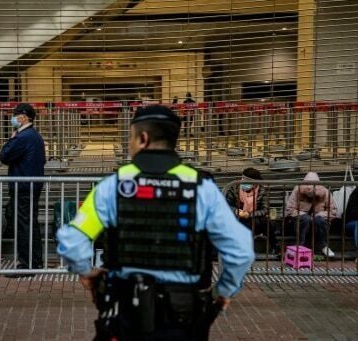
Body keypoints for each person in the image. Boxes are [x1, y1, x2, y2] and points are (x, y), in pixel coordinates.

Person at [57, 105, 254, 340]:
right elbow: (241, 251)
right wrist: (222, 291)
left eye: (130, 136)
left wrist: (87, 272)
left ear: (142, 138)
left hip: (125, 313)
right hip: (184, 318)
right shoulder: (202, 188)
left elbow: (71, 240)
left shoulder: (113, 186)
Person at [0, 103, 46, 276]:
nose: (13, 117)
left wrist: (12, 138)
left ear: (24, 117)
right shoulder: (35, 136)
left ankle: (26, 265)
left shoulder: (23, 137)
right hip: (32, 185)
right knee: (31, 224)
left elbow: (4, 156)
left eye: (15, 114)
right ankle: (36, 262)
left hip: (23, 186)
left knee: (24, 226)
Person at [225, 167, 279, 254]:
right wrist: (237, 211)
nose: (244, 182)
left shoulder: (261, 190)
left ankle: (276, 248)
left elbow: (265, 209)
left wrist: (249, 214)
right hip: (237, 218)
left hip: (255, 219)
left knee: (265, 222)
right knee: (245, 224)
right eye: (243, 179)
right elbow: (226, 205)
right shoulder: (234, 188)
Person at [285, 172, 338, 257]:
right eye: (307, 184)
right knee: (305, 218)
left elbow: (333, 211)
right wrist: (302, 214)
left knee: (319, 219)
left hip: (318, 225)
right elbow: (289, 209)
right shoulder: (297, 190)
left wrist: (321, 214)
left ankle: (324, 246)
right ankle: (300, 246)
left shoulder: (325, 192)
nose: (310, 187)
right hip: (300, 223)